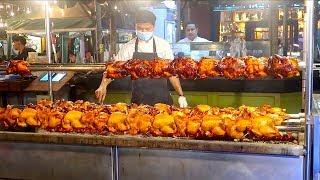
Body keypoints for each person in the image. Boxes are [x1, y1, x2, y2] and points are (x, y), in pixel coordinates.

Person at [95, 10, 188, 107]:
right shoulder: (128, 47)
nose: (143, 31)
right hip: (138, 102)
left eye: (147, 28)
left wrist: (181, 95)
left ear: (153, 28)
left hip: (162, 101)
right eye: (140, 28)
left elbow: (172, 73)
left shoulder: (163, 45)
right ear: (135, 27)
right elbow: (114, 69)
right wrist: (103, 86)